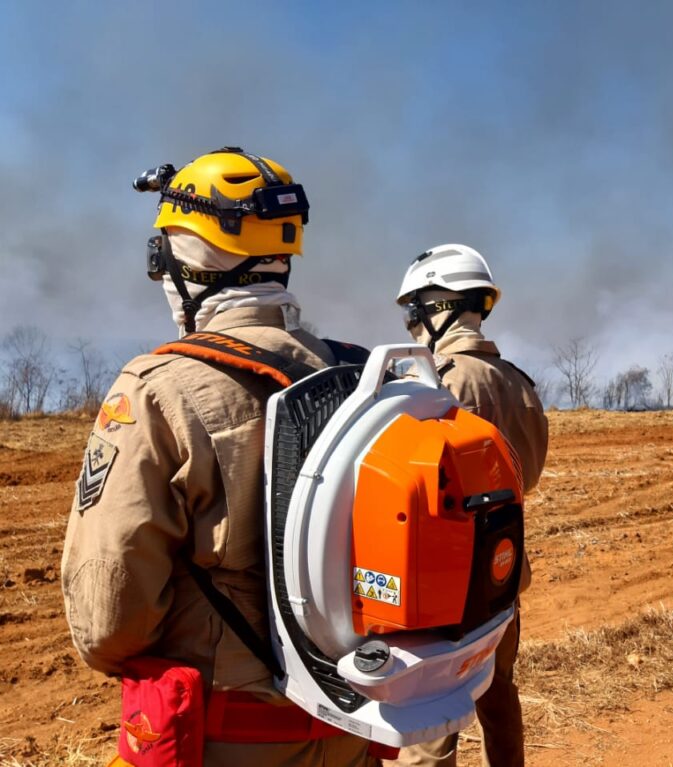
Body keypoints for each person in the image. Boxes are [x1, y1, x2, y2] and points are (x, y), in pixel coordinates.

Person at [61, 148, 377, 766]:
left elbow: (108, 620)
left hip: (227, 738)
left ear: (185, 265)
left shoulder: (158, 389)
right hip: (353, 730)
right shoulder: (363, 375)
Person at [389, 244, 549, 767]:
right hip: (501, 576)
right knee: (498, 693)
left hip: (445, 586)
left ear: (441, 309)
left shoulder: (439, 383)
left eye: (414, 312)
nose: (412, 327)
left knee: (430, 718)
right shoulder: (519, 383)